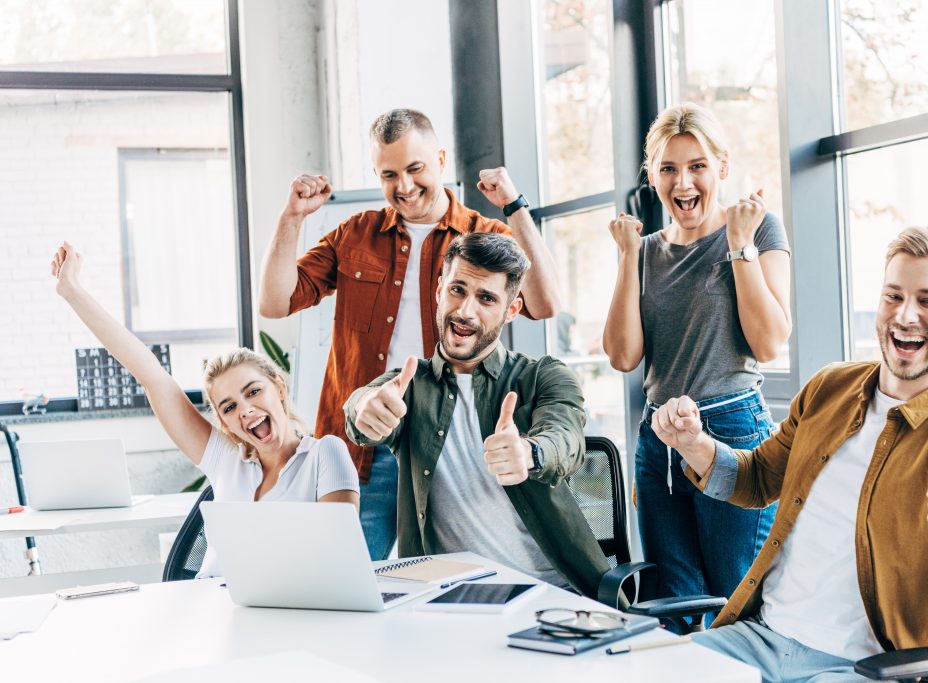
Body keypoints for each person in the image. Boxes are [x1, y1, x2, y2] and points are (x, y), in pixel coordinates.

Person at [652, 227, 928, 681]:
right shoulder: (831, 387)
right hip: (762, 637)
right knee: (651, 671)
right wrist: (694, 445)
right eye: (894, 296)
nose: (905, 315)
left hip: (866, 668)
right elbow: (756, 481)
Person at [259, 108, 560, 561]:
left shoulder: (482, 236)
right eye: (389, 174)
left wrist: (514, 208)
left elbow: (543, 303)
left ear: (439, 159)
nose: (404, 186)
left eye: (415, 169)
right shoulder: (355, 234)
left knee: (456, 579)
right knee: (345, 573)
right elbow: (275, 302)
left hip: (452, 443)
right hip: (368, 444)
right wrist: (292, 217)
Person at [51, 242, 359, 577]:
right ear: (224, 423)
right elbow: (149, 372)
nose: (246, 410)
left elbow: (335, 558)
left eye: (253, 391)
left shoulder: (325, 454)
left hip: (280, 615)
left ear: (280, 388)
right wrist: (72, 291)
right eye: (229, 407)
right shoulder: (227, 460)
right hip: (208, 606)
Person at [343, 232, 608, 596]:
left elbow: (566, 438)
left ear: (511, 310)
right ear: (439, 292)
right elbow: (363, 403)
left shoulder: (544, 376)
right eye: (458, 290)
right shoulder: (409, 383)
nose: (465, 311)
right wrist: (362, 408)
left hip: (548, 592)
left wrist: (529, 453)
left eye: (486, 298)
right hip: (447, 597)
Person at [603, 102, 792, 606]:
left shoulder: (758, 228)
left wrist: (739, 244)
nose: (683, 184)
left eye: (697, 167)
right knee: (677, 607)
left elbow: (770, 343)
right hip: (658, 439)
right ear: (652, 176)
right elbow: (623, 356)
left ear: (722, 167)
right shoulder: (643, 250)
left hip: (730, 431)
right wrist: (627, 257)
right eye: (668, 169)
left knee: (735, 601)